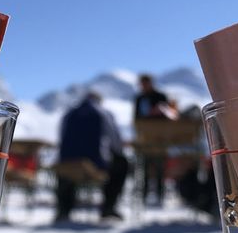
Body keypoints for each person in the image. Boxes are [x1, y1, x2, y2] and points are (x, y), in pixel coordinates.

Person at [56, 92, 128, 222]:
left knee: (66, 170)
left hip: (67, 165)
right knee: (122, 163)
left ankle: (63, 209)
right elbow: (115, 141)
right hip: (94, 165)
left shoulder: (69, 113)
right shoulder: (103, 113)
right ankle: (108, 207)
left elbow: (61, 137)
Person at [133, 73, 174, 205]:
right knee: (145, 169)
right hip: (145, 138)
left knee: (160, 169)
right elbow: (136, 117)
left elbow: (168, 115)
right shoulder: (139, 98)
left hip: (159, 138)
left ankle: (160, 196)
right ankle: (144, 197)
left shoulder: (160, 97)